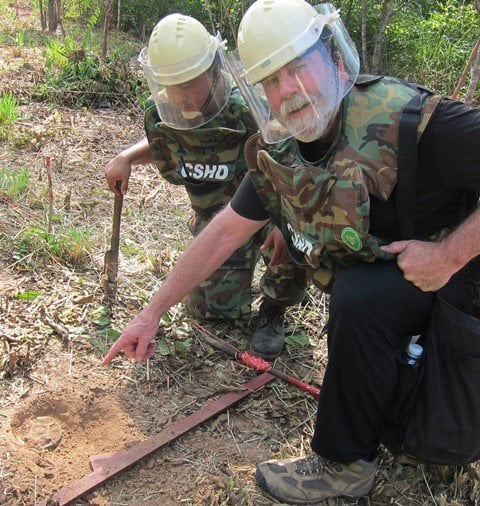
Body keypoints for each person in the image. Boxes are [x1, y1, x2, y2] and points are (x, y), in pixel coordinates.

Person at [103, 1, 480, 503]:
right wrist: (151, 313)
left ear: (335, 59)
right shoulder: (282, 150)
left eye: (298, 68)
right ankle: (364, 444)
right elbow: (221, 233)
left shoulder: (410, 120)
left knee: (362, 299)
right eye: (270, 81)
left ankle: (346, 459)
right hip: (402, 287)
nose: (288, 93)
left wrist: (451, 254)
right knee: (361, 295)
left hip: (464, 281)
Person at [104, 13, 306, 360]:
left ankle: (274, 309)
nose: (180, 96)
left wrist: (281, 222)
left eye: (189, 83)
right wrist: (126, 157)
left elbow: (286, 161)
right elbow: (166, 142)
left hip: (263, 211)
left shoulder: (246, 110)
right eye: (171, 85)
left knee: (293, 241)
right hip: (214, 219)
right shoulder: (160, 114)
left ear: (213, 71)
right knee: (212, 313)